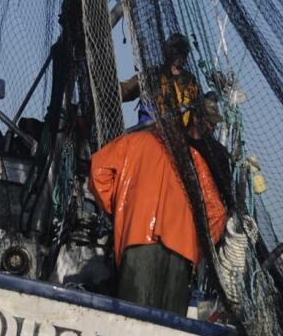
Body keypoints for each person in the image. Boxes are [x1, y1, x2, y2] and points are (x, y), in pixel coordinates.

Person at [89, 96, 227, 314]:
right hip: (182, 254)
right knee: (171, 325)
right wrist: (195, 245)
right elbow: (217, 213)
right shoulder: (196, 160)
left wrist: (120, 212)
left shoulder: (134, 142)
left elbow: (98, 171)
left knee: (132, 317)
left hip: (137, 240)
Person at [120, 33, 200, 125]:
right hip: (149, 132)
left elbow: (199, 107)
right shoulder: (152, 75)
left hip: (179, 135)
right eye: (181, 53)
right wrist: (107, 91)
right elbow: (126, 90)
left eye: (185, 53)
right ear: (170, 53)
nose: (184, 57)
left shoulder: (190, 81)